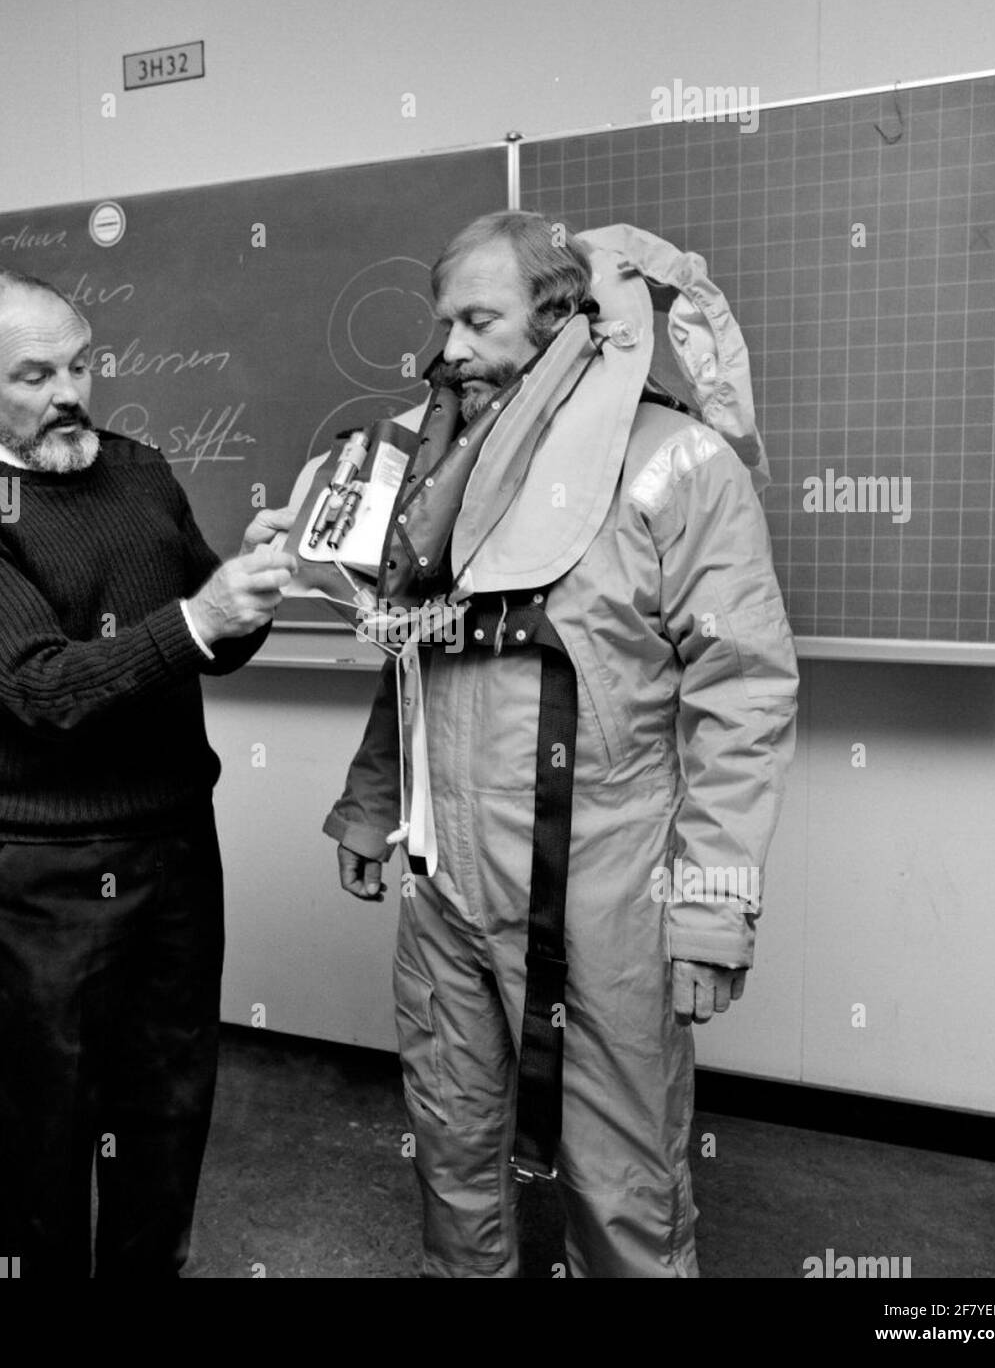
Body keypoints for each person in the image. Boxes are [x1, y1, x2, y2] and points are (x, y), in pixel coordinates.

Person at [323, 212, 798, 1277]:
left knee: (622, 1177)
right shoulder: (444, 480)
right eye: (442, 322)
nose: (448, 350)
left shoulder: (678, 465)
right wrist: (368, 803)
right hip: (443, 875)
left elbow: (744, 696)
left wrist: (713, 907)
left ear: (560, 318)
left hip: (608, 888)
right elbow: (413, 657)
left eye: (476, 320)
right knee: (449, 1139)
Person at [0, 270, 296, 1278]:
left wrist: (240, 594)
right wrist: (199, 618)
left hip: (171, 836)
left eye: (80, 364)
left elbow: (205, 642)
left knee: (169, 1101)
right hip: (46, 864)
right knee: (52, 1119)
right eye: (34, 375)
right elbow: (41, 689)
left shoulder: (137, 468)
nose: (69, 391)